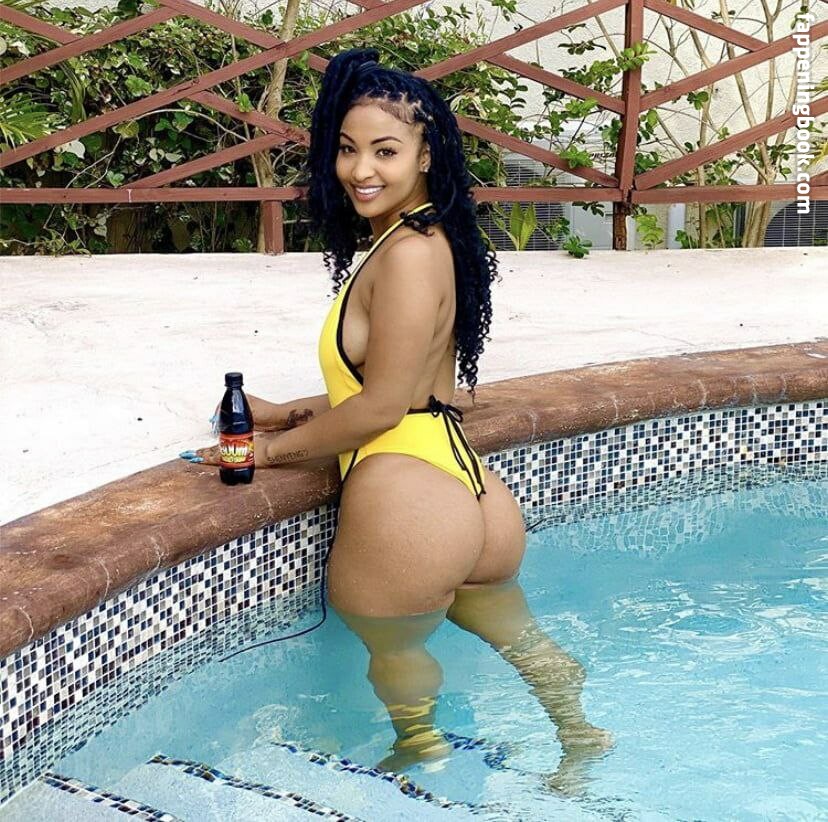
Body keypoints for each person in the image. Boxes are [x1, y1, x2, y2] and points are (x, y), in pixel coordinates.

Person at [181, 47, 612, 794]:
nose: (360, 169)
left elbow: (381, 409)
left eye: (385, 150)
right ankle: (579, 732)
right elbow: (405, 388)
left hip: (408, 496)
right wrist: (290, 411)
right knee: (518, 636)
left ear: (426, 154)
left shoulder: (407, 254)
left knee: (396, 649)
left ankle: (422, 751)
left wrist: (265, 451)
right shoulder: (425, 238)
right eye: (347, 149)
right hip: (467, 487)